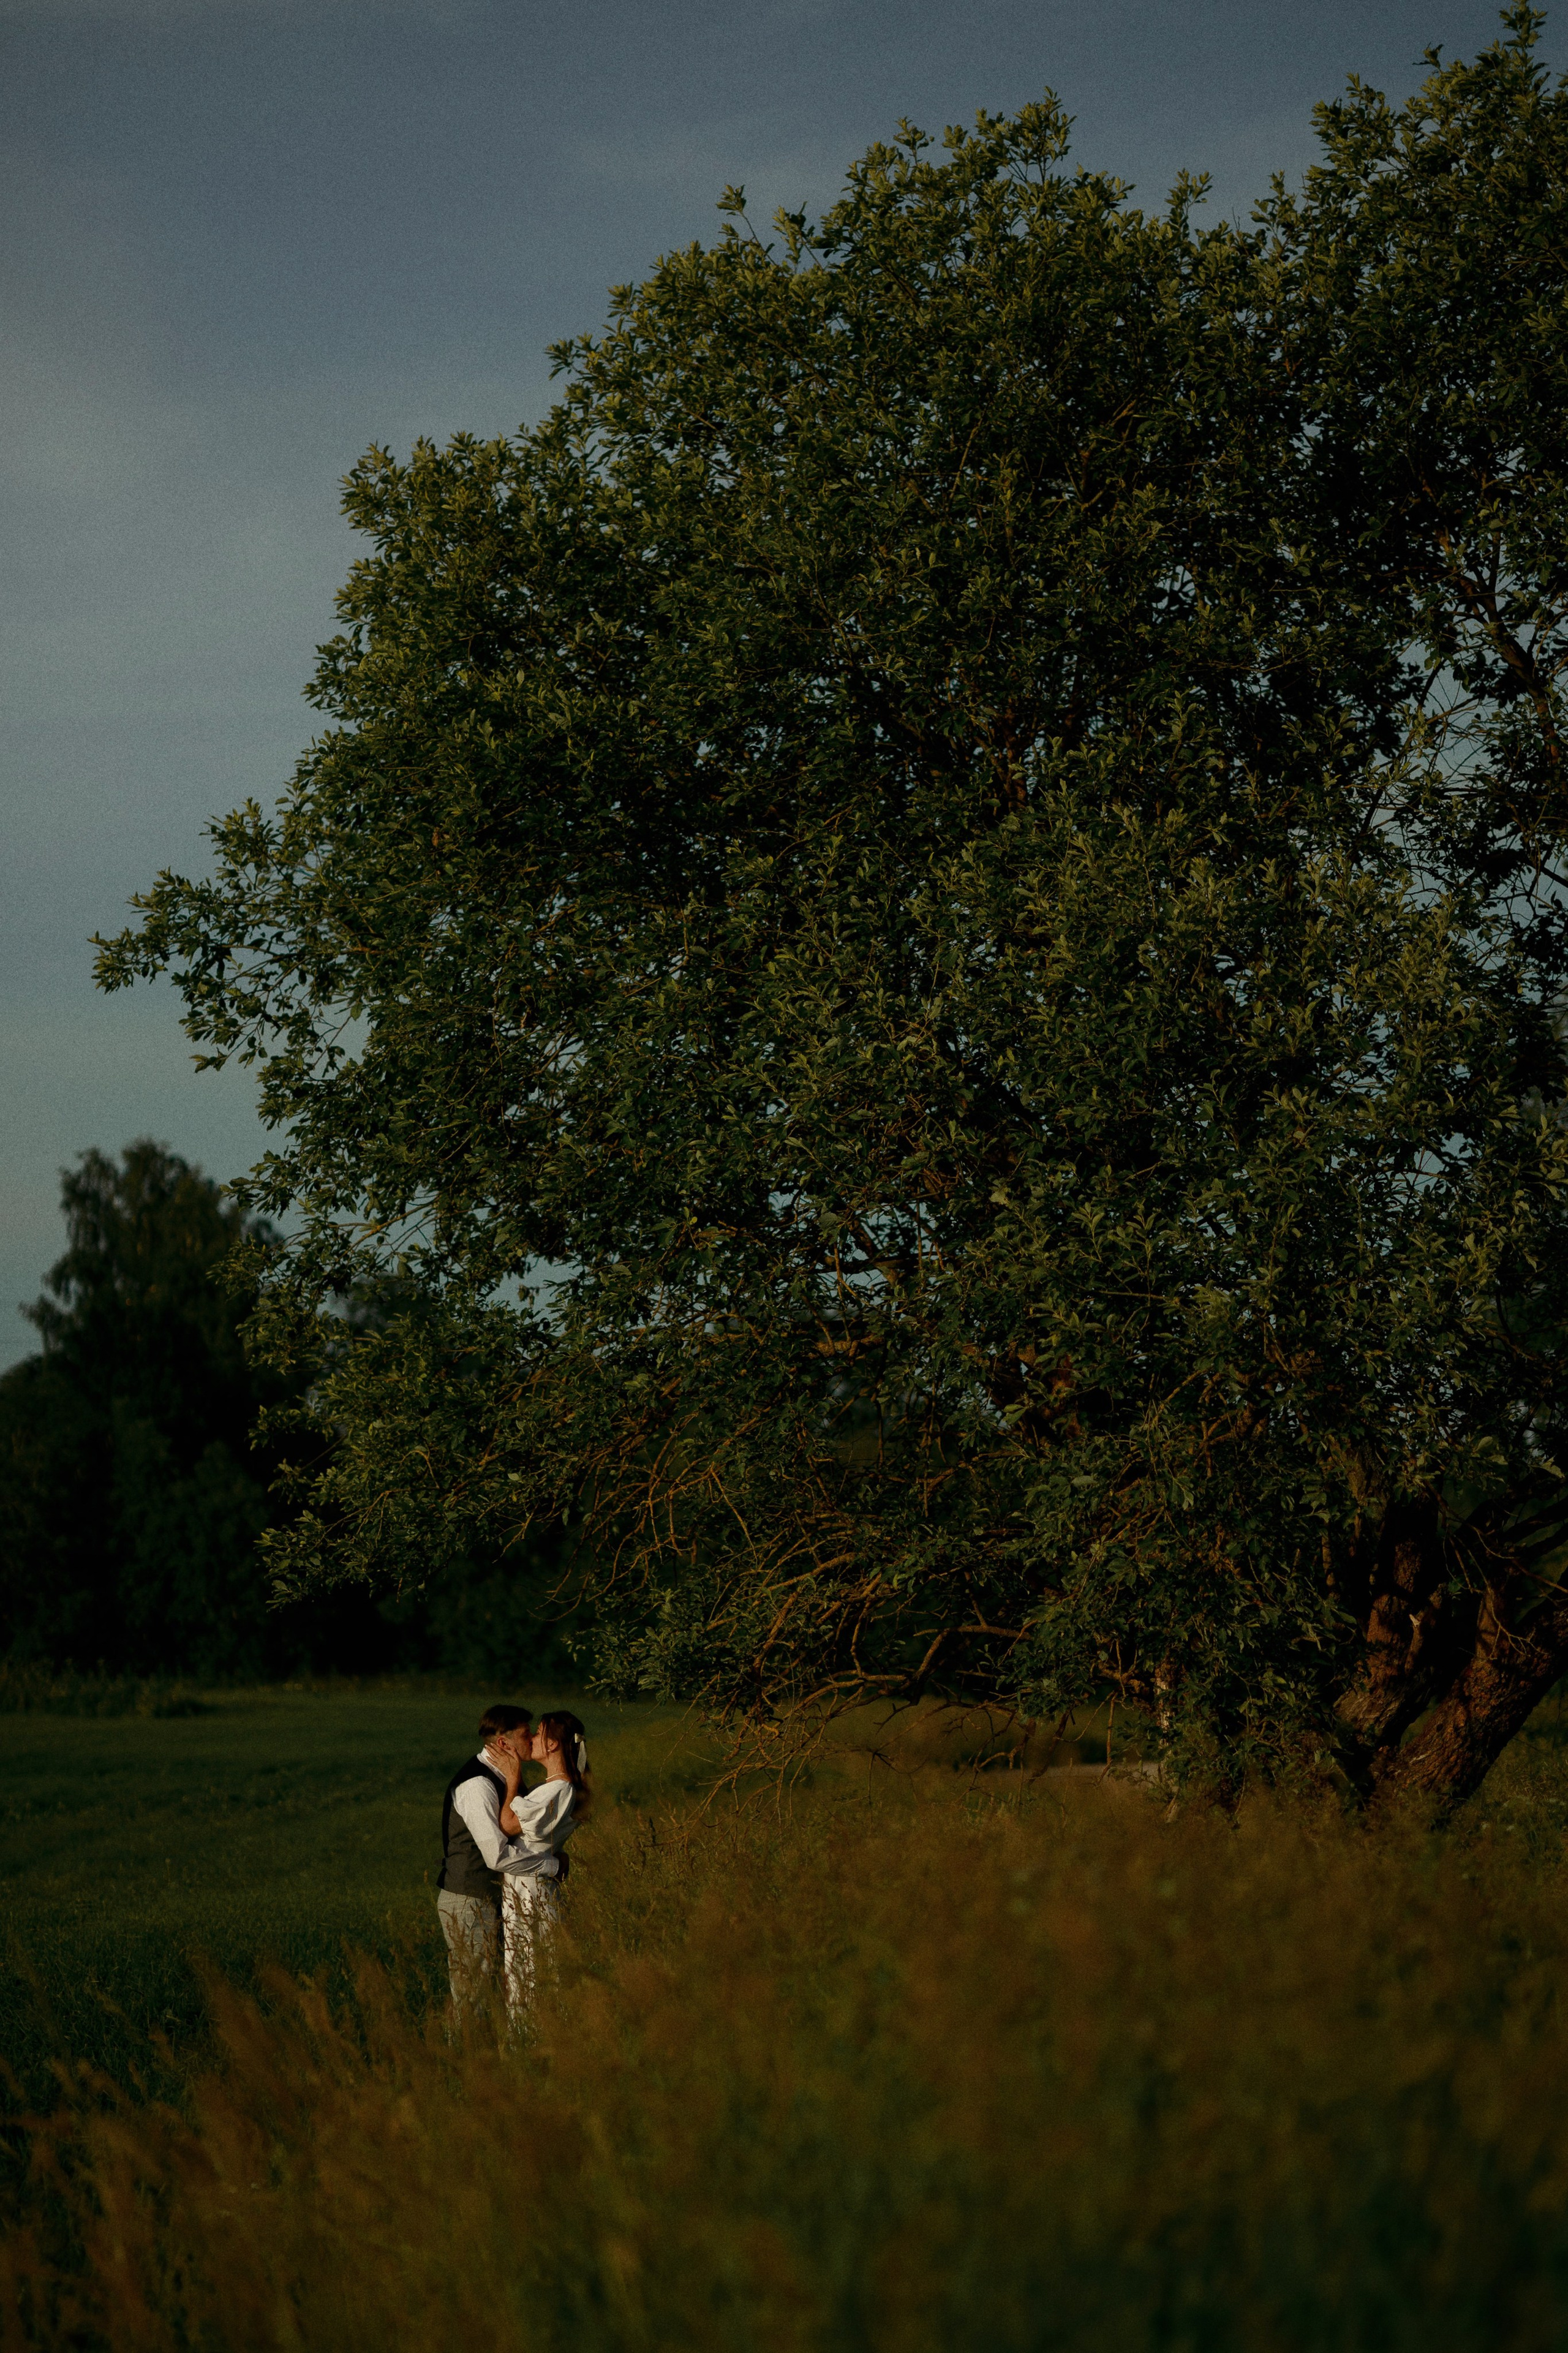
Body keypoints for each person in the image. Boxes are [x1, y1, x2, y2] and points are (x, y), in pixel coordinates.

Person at [435, 1703, 562, 2015]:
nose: (532, 1738)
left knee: (499, 1991)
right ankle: (463, 2059)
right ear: (503, 1743)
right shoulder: (477, 1785)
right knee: (473, 1996)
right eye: (525, 1733)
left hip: (489, 1898)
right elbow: (497, 1856)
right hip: (469, 1900)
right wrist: (553, 1866)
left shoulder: (505, 1776)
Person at [494, 1708, 591, 2013]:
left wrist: (513, 1778)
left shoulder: (557, 1790)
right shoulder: (554, 1789)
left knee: (531, 1967)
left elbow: (509, 1824)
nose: (533, 1739)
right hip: (529, 1884)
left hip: (531, 1890)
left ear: (552, 1745)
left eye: (538, 1733)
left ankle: (535, 2039)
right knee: (526, 1966)